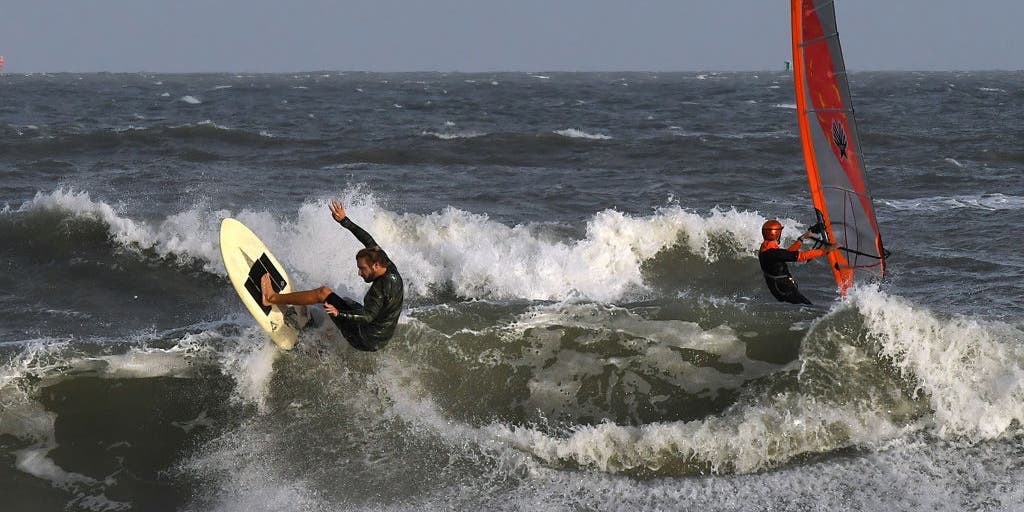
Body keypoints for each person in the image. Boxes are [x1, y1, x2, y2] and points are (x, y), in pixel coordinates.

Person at [260, 200, 404, 351]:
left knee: (323, 293)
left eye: (362, 269)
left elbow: (368, 317)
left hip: (364, 338)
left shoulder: (379, 289)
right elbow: (368, 240)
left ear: (376, 266)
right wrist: (344, 221)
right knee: (347, 301)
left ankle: (271, 298)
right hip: (381, 338)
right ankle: (328, 333)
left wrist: (339, 313)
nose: (359, 273)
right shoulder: (388, 266)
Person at [758, 219, 839, 305]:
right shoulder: (773, 253)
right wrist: (826, 250)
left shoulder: (765, 248)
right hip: (784, 290)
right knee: (810, 309)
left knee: (806, 308)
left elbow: (787, 254)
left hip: (780, 288)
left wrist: (801, 239)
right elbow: (801, 256)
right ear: (777, 234)